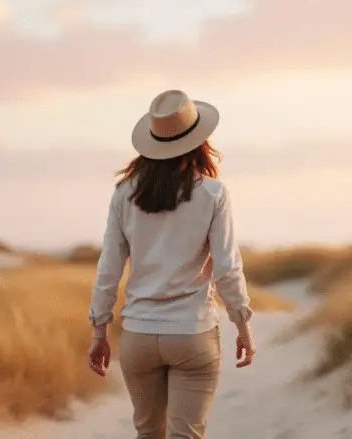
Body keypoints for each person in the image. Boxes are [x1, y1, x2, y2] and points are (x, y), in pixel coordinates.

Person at [86, 89, 256, 439]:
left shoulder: (124, 194)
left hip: (139, 336)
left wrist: (99, 330)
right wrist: (242, 323)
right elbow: (227, 268)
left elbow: (109, 270)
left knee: (148, 434)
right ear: (199, 142)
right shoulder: (213, 193)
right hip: (192, 334)